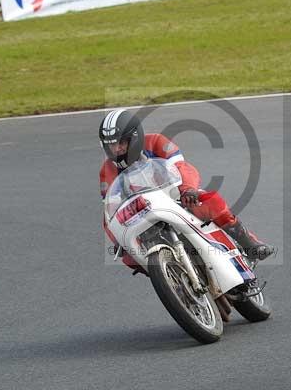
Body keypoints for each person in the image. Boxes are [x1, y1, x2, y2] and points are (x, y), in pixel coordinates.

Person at [99, 109, 274, 276]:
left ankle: (248, 243)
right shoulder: (106, 171)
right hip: (142, 216)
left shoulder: (156, 142)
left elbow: (182, 167)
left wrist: (188, 189)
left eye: (121, 143)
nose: (117, 149)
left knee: (207, 201)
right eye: (111, 145)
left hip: (175, 195)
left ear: (135, 137)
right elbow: (109, 213)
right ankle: (170, 278)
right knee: (128, 254)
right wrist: (116, 238)